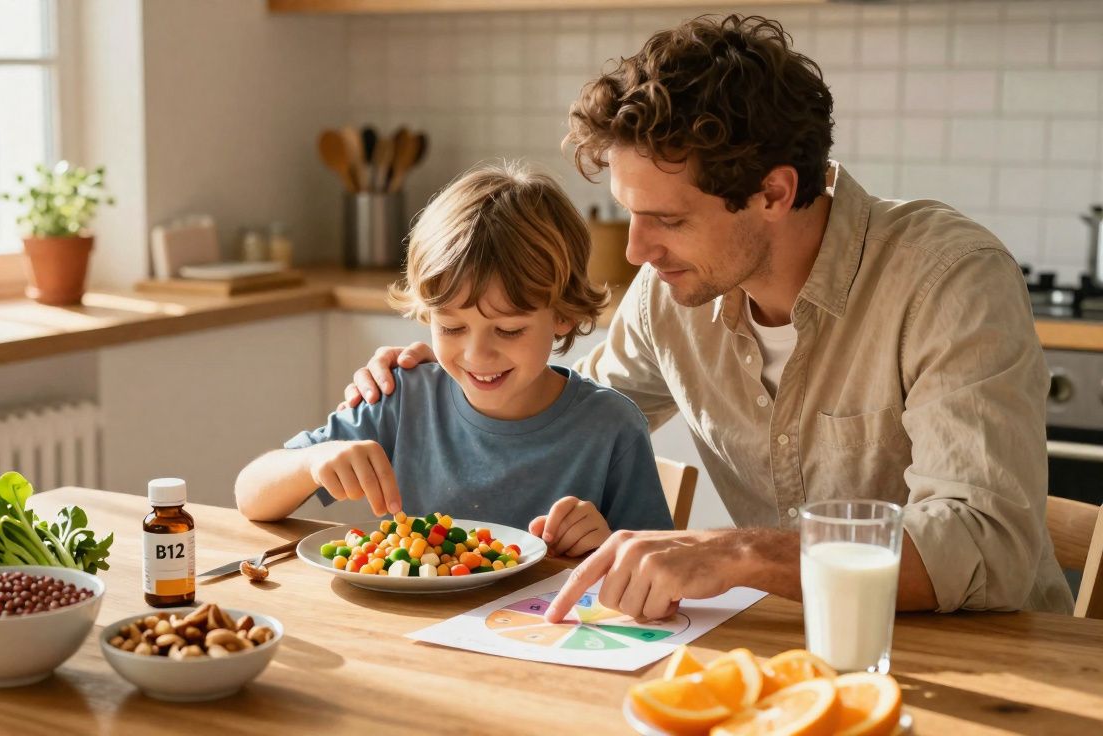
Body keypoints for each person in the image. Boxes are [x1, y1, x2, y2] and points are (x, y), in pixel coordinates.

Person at [340, 14, 1074, 619]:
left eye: (667, 219)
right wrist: (458, 372)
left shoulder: (948, 280)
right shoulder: (671, 295)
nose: (634, 250)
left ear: (774, 193)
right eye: (628, 215)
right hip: (787, 648)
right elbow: (566, 411)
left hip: (982, 660)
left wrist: (738, 552)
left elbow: (987, 546)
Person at [235, 162, 673, 557]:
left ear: (563, 315)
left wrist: (605, 544)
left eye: (508, 330)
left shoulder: (611, 427)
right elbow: (249, 494)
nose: (476, 354)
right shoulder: (403, 397)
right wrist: (314, 461)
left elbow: (656, 568)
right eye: (451, 328)